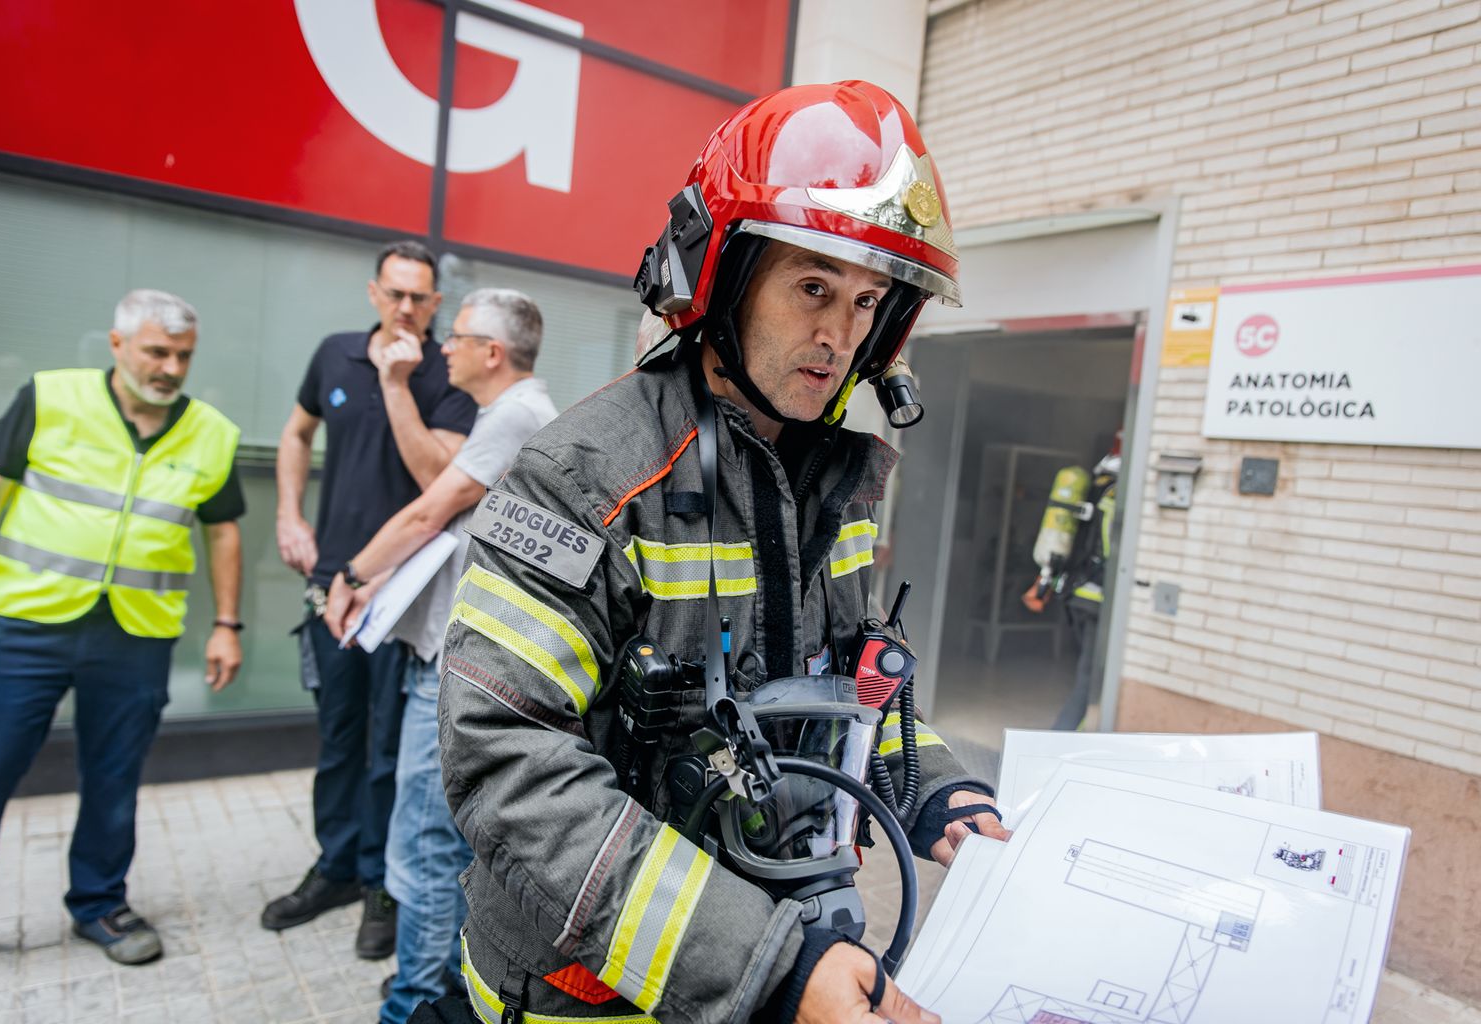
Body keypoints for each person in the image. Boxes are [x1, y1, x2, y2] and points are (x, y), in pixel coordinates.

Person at [430, 81, 1007, 1024]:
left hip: (789, 952)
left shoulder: (840, 482)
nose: (840, 334)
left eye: (868, 302)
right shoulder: (583, 477)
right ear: (724, 278)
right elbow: (505, 760)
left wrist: (939, 790)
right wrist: (768, 966)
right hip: (595, 995)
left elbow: (857, 690)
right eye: (813, 287)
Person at [0, 289, 244, 970]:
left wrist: (227, 624)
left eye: (183, 356)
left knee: (113, 775)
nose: (170, 367)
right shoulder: (50, 398)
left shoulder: (213, 432)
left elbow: (223, 532)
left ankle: (99, 904)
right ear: (117, 345)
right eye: (156, 351)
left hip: (135, 636)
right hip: (25, 623)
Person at [319, 288, 557, 1024]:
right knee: (431, 838)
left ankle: (415, 1003)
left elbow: (431, 506)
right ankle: (442, 987)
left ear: (492, 353)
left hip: (457, 667)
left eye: (455, 337)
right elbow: (456, 525)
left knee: (423, 841)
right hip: (452, 654)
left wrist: (353, 574)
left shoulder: (518, 413)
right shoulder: (511, 416)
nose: (441, 347)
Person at [265, 241, 478, 960]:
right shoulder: (333, 354)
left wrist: (398, 382)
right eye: (395, 294)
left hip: (403, 596)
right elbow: (296, 434)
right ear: (373, 293)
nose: (406, 309)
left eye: (419, 298)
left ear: (435, 305)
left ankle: (384, 886)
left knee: (392, 751)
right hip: (334, 583)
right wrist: (288, 513)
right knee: (338, 737)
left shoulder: (449, 376)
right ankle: (335, 867)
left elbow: (438, 478)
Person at [1024, 444, 1121, 731]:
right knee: (1089, 681)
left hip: (1077, 595)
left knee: (1087, 673)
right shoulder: (1113, 497)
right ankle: (1061, 741)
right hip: (1096, 598)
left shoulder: (1092, 489)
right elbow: (1110, 551)